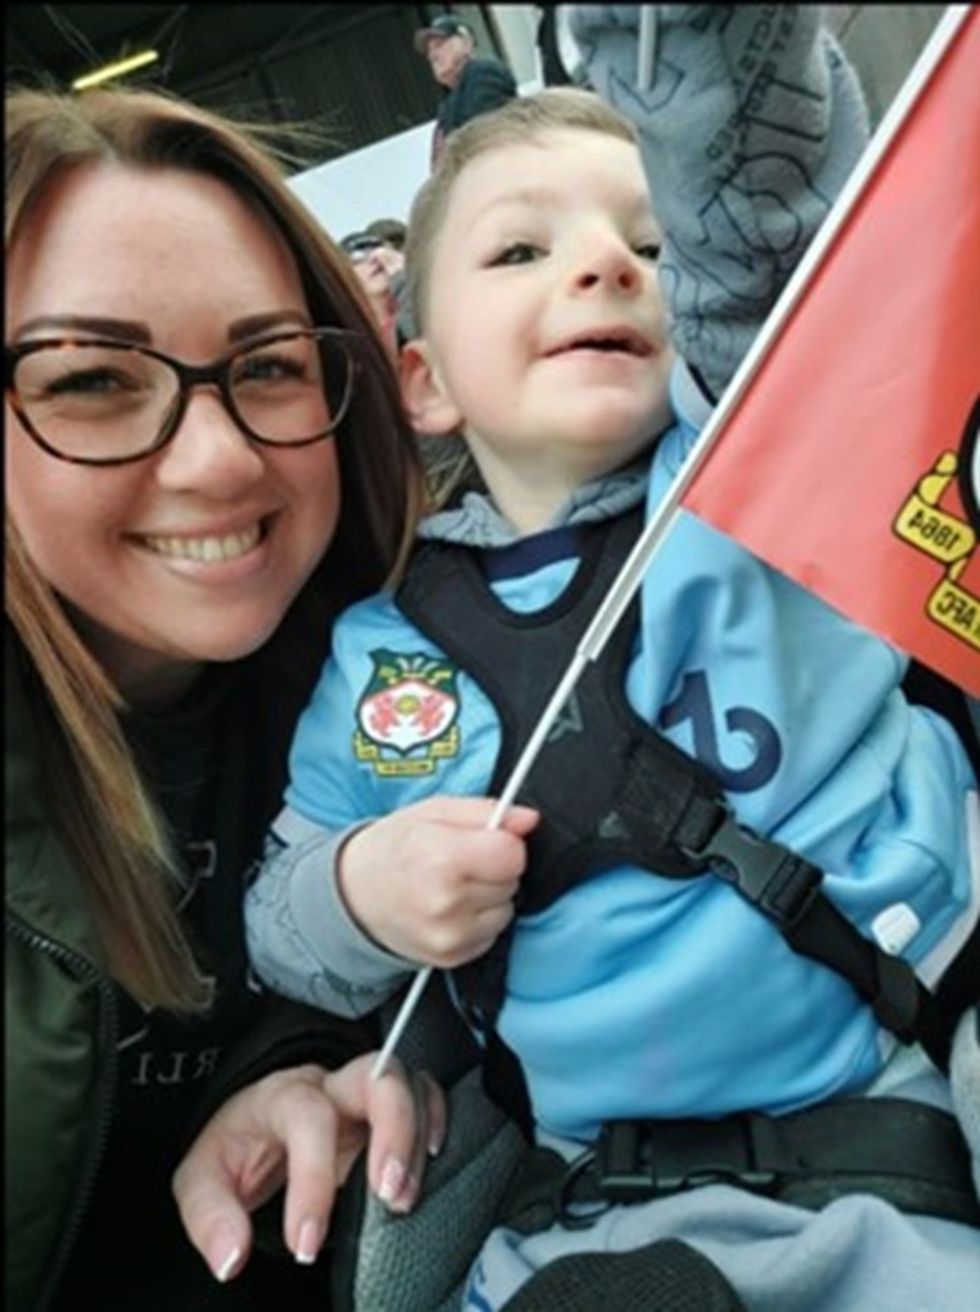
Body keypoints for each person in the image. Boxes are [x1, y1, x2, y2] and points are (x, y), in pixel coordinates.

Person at [247, 7, 980, 1310]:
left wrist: (711, 62)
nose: (603, 266)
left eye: (647, 241)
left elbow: (764, 257)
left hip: (903, 1112)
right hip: (590, 1216)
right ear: (423, 380)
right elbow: (284, 923)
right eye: (522, 249)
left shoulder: (761, 479)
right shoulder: (387, 651)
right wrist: (363, 887)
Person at [4, 83, 445, 1312]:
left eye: (266, 366)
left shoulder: (426, 681)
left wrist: (304, 1064)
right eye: (91, 379)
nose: (220, 458)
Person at [414, 13, 517, 169]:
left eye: (440, 44)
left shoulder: (482, 73)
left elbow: (483, 135)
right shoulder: (449, 101)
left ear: (466, 42)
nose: (433, 55)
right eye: (429, 51)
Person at [340, 229, 407, 355]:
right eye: (358, 258)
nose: (375, 260)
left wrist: (403, 281)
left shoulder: (416, 305)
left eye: (379, 250)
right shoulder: (346, 333)